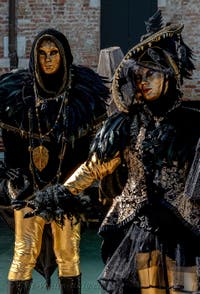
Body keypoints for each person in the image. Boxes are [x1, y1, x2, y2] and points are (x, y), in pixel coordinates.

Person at [18, 11, 200, 293]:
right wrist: (61, 192)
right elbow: (94, 167)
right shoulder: (128, 124)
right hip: (140, 228)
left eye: (151, 74)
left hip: (183, 233)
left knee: (184, 290)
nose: (143, 81)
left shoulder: (192, 125)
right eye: (139, 75)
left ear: (170, 74)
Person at [0, 28, 109, 293]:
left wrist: (71, 189)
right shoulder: (18, 97)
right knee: (24, 252)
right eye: (41, 54)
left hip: (65, 190)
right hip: (29, 188)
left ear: (64, 56)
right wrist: (14, 181)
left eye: (53, 53)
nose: (47, 59)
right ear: (34, 58)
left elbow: (90, 152)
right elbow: (12, 152)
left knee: (67, 252)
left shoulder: (82, 98)